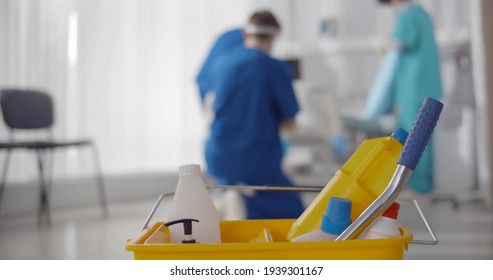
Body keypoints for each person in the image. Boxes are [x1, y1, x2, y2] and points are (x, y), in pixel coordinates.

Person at [198, 10, 305, 219]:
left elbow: (209, 101)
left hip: (218, 155)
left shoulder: (221, 63)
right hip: (255, 159)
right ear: (274, 36)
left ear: (245, 34)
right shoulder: (274, 67)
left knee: (241, 198)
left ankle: (237, 208)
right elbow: (290, 120)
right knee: (295, 213)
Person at [366, 0, 443, 193]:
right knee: (423, 135)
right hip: (426, 84)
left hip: (414, 86)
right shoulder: (422, 13)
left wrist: (384, 44)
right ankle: (423, 183)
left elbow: (399, 45)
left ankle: (418, 185)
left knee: (414, 136)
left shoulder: (408, 16)